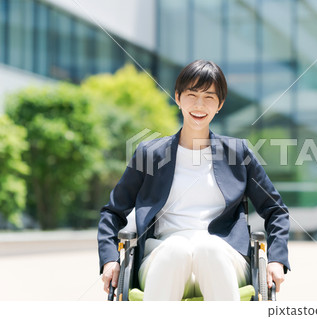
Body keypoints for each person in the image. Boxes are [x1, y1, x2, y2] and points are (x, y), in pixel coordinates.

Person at [98, 60, 290, 301]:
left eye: (209, 97)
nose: (199, 105)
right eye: (192, 94)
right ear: (177, 98)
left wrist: (276, 259)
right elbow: (112, 211)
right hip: (163, 255)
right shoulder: (150, 154)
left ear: (220, 104)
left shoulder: (237, 153)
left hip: (224, 255)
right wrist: (109, 259)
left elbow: (276, 210)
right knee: (177, 249)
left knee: (206, 246)